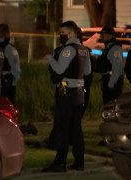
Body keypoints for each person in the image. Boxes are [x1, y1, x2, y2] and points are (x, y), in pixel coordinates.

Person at [43, 20, 91, 172]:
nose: (60, 36)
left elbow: (58, 69)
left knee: (63, 128)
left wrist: (50, 58)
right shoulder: (83, 49)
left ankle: (60, 163)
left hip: (66, 92)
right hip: (79, 92)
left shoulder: (68, 50)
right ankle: (79, 162)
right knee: (76, 129)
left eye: (62, 33)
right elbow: (88, 72)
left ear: (71, 33)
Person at [95, 26, 124, 105]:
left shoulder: (115, 49)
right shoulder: (108, 48)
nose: (101, 36)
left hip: (113, 84)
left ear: (111, 35)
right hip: (108, 81)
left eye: (103, 34)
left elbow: (117, 69)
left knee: (112, 107)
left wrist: (110, 85)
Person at [0, 24, 21, 103]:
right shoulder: (10, 48)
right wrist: (14, 82)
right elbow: (16, 69)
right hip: (7, 84)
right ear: (8, 34)